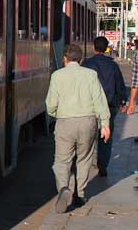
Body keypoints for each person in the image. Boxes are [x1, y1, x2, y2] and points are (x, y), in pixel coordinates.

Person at [46, 44, 110, 212]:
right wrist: (105, 125)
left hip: (65, 121)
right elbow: (99, 101)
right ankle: (80, 195)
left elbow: (50, 104)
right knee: (84, 158)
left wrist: (55, 113)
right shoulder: (91, 75)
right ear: (81, 59)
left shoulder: (57, 76)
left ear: (64, 59)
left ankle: (63, 189)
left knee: (62, 161)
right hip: (88, 122)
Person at [83, 37, 127, 176]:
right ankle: (102, 164)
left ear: (93, 48)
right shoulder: (112, 65)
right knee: (106, 136)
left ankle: (86, 163)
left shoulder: (86, 64)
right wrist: (122, 101)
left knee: (88, 135)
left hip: (90, 106)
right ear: (106, 48)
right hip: (109, 105)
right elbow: (119, 84)